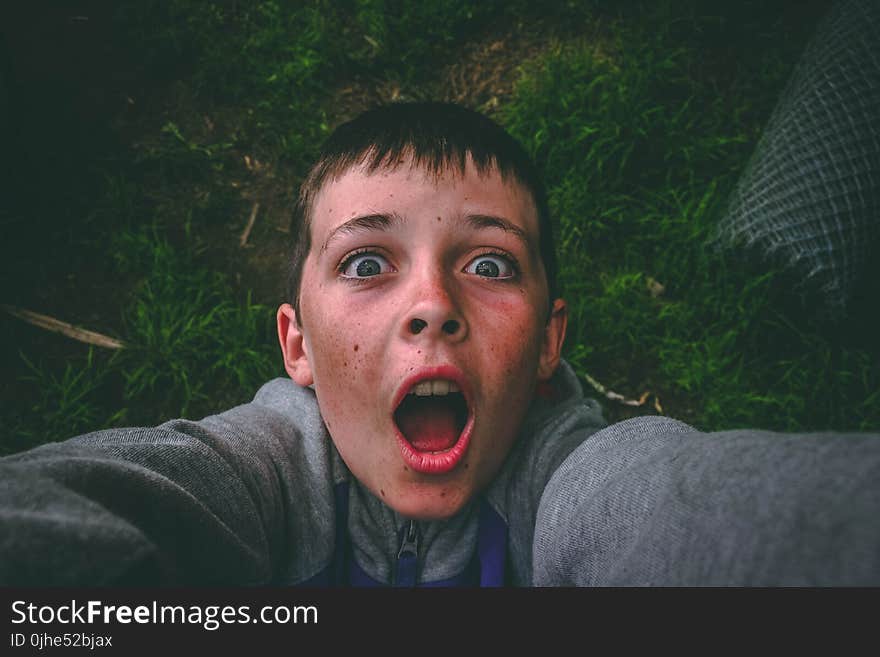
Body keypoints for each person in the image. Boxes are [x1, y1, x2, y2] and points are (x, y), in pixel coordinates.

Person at [1, 102, 878, 586]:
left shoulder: (566, 480)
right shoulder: (261, 472)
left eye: (490, 262)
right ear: (297, 345)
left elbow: (682, 518)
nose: (432, 303)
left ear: (547, 342)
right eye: (369, 260)